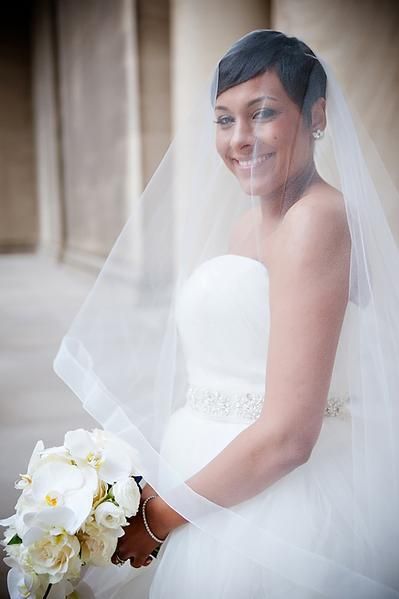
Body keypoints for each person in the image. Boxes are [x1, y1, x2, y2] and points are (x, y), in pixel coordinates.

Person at [54, 30, 399, 598]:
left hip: (279, 508)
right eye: (223, 119)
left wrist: (159, 518)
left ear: (316, 115)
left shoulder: (316, 221)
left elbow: (290, 434)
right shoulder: (251, 224)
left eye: (262, 114)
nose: (240, 140)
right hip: (216, 493)